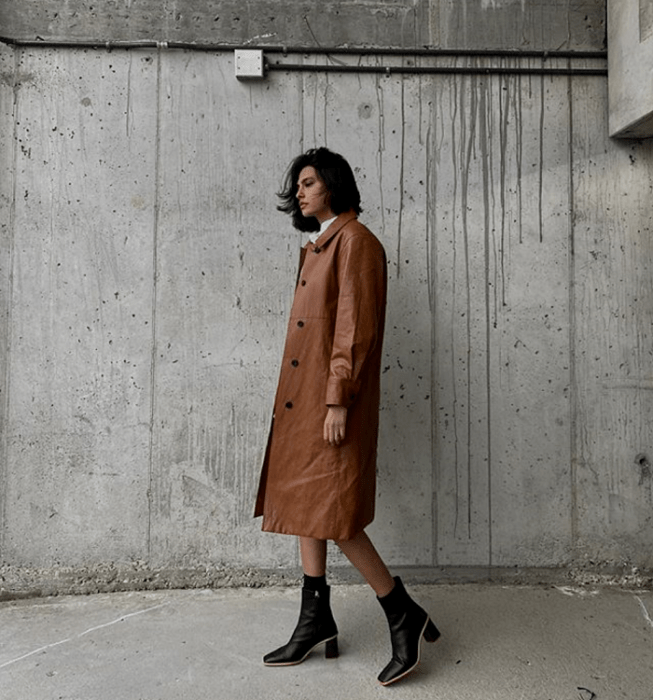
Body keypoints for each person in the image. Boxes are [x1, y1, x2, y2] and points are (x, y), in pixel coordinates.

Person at [254, 147, 439, 686]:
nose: (300, 191)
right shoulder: (317, 245)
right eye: (298, 184)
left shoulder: (356, 243)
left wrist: (337, 398)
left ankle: (401, 608)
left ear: (333, 185)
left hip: (331, 402)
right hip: (301, 399)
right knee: (302, 504)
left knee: (336, 515)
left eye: (309, 182)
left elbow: (354, 330)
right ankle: (316, 620)